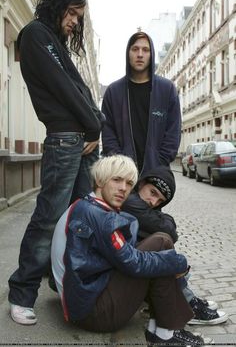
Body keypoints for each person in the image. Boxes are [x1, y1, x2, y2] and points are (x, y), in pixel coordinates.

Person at [8, 0, 104, 325]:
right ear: (58, 4)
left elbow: (80, 89)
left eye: (80, 17)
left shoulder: (55, 42)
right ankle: (21, 293)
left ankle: (61, 279)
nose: (75, 21)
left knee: (81, 217)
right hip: (65, 140)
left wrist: (94, 124)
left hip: (82, 141)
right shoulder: (36, 35)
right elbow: (64, 88)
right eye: (73, 13)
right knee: (49, 217)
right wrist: (94, 124)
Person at [51, 154, 213, 346]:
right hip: (93, 314)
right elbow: (134, 263)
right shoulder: (100, 217)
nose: (123, 188)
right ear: (101, 180)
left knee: (159, 253)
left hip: (81, 302)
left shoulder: (83, 205)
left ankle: (160, 328)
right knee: (162, 245)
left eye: (129, 183)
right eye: (117, 180)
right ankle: (165, 333)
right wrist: (179, 262)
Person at [122, 165, 228, 326]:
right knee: (162, 243)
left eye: (160, 201)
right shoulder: (131, 201)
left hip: (126, 267)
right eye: (152, 193)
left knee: (162, 248)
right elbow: (169, 231)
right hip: (118, 279)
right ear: (141, 184)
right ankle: (188, 303)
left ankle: (185, 299)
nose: (153, 202)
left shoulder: (138, 202)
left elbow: (166, 222)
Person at [101, 31, 181, 174]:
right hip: (121, 173)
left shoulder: (166, 89)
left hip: (156, 173)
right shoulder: (114, 92)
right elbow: (108, 133)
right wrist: (121, 165)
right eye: (135, 49)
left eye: (145, 50)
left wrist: (159, 163)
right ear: (128, 53)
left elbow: (173, 131)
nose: (140, 54)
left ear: (152, 55)